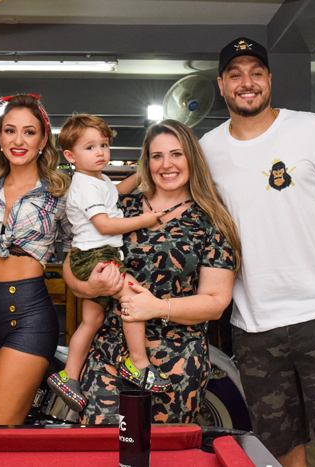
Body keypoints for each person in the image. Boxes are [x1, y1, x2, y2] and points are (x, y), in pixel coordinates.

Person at [200, 37, 315, 466]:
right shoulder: (207, 149)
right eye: (235, 75)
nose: (247, 82)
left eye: (256, 73)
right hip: (254, 326)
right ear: (221, 85)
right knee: (280, 454)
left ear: (269, 79)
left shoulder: (312, 130)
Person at [63, 119, 241, 424]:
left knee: (162, 449)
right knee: (103, 446)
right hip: (108, 357)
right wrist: (89, 287)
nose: (166, 164)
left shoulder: (211, 221)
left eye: (176, 154)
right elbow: (74, 260)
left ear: (192, 159)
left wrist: (157, 307)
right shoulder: (122, 206)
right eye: (157, 156)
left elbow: (215, 302)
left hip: (175, 364)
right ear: (146, 162)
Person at [47, 114, 167, 412]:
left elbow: (119, 191)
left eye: (104, 145)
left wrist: (141, 171)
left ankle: (69, 376)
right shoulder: (85, 186)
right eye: (90, 147)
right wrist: (145, 220)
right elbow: (104, 225)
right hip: (96, 256)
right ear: (70, 156)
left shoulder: (97, 180)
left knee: (92, 321)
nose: (100, 152)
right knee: (134, 298)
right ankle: (138, 362)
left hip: (94, 255)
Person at [0, 94, 72, 425]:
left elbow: (81, 248)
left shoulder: (60, 193)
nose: (18, 140)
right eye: (10, 130)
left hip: (30, 315)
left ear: (43, 141)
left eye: (29, 132)